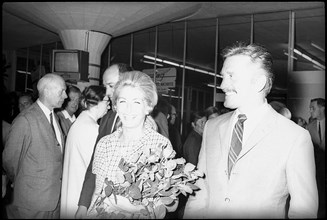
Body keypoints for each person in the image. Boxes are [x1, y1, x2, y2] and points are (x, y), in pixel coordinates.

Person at [183, 43, 318, 218]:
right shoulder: (212, 127)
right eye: (223, 76)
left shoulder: (295, 137)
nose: (223, 85)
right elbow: (200, 194)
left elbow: (303, 210)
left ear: (259, 82)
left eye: (231, 76)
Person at [86, 71, 173, 218]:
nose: (128, 109)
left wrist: (135, 208)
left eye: (137, 102)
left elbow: (170, 203)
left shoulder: (160, 145)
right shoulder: (105, 144)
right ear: (116, 106)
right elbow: (98, 193)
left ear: (148, 107)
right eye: (123, 101)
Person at [2, 73, 67, 219]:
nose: (65, 96)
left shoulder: (54, 117)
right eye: (61, 91)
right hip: (33, 202)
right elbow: (10, 160)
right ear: (47, 91)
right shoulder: (25, 120)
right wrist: (22, 182)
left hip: (54, 199)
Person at [75, 63, 134, 218]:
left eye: (111, 85)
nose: (106, 92)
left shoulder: (145, 120)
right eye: (105, 86)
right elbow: (95, 162)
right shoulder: (107, 118)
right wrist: (83, 203)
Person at [60, 85, 109, 219]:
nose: (109, 106)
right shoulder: (92, 129)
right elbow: (97, 169)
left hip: (73, 192)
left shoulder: (79, 123)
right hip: (82, 198)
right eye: (107, 102)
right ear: (96, 103)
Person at [307, 98, 325, 218]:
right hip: (319, 172)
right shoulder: (310, 127)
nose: (310, 110)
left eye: (313, 108)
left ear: (322, 108)